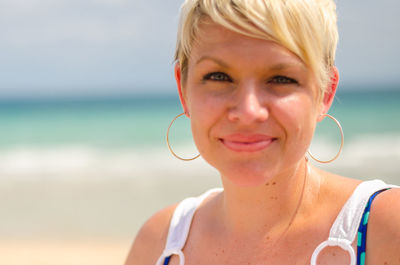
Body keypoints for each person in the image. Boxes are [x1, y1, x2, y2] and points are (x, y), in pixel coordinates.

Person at [125, 0, 400, 264]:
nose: (248, 111)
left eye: (281, 79)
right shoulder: (159, 245)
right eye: (219, 77)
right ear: (183, 89)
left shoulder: (385, 230)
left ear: (325, 93)